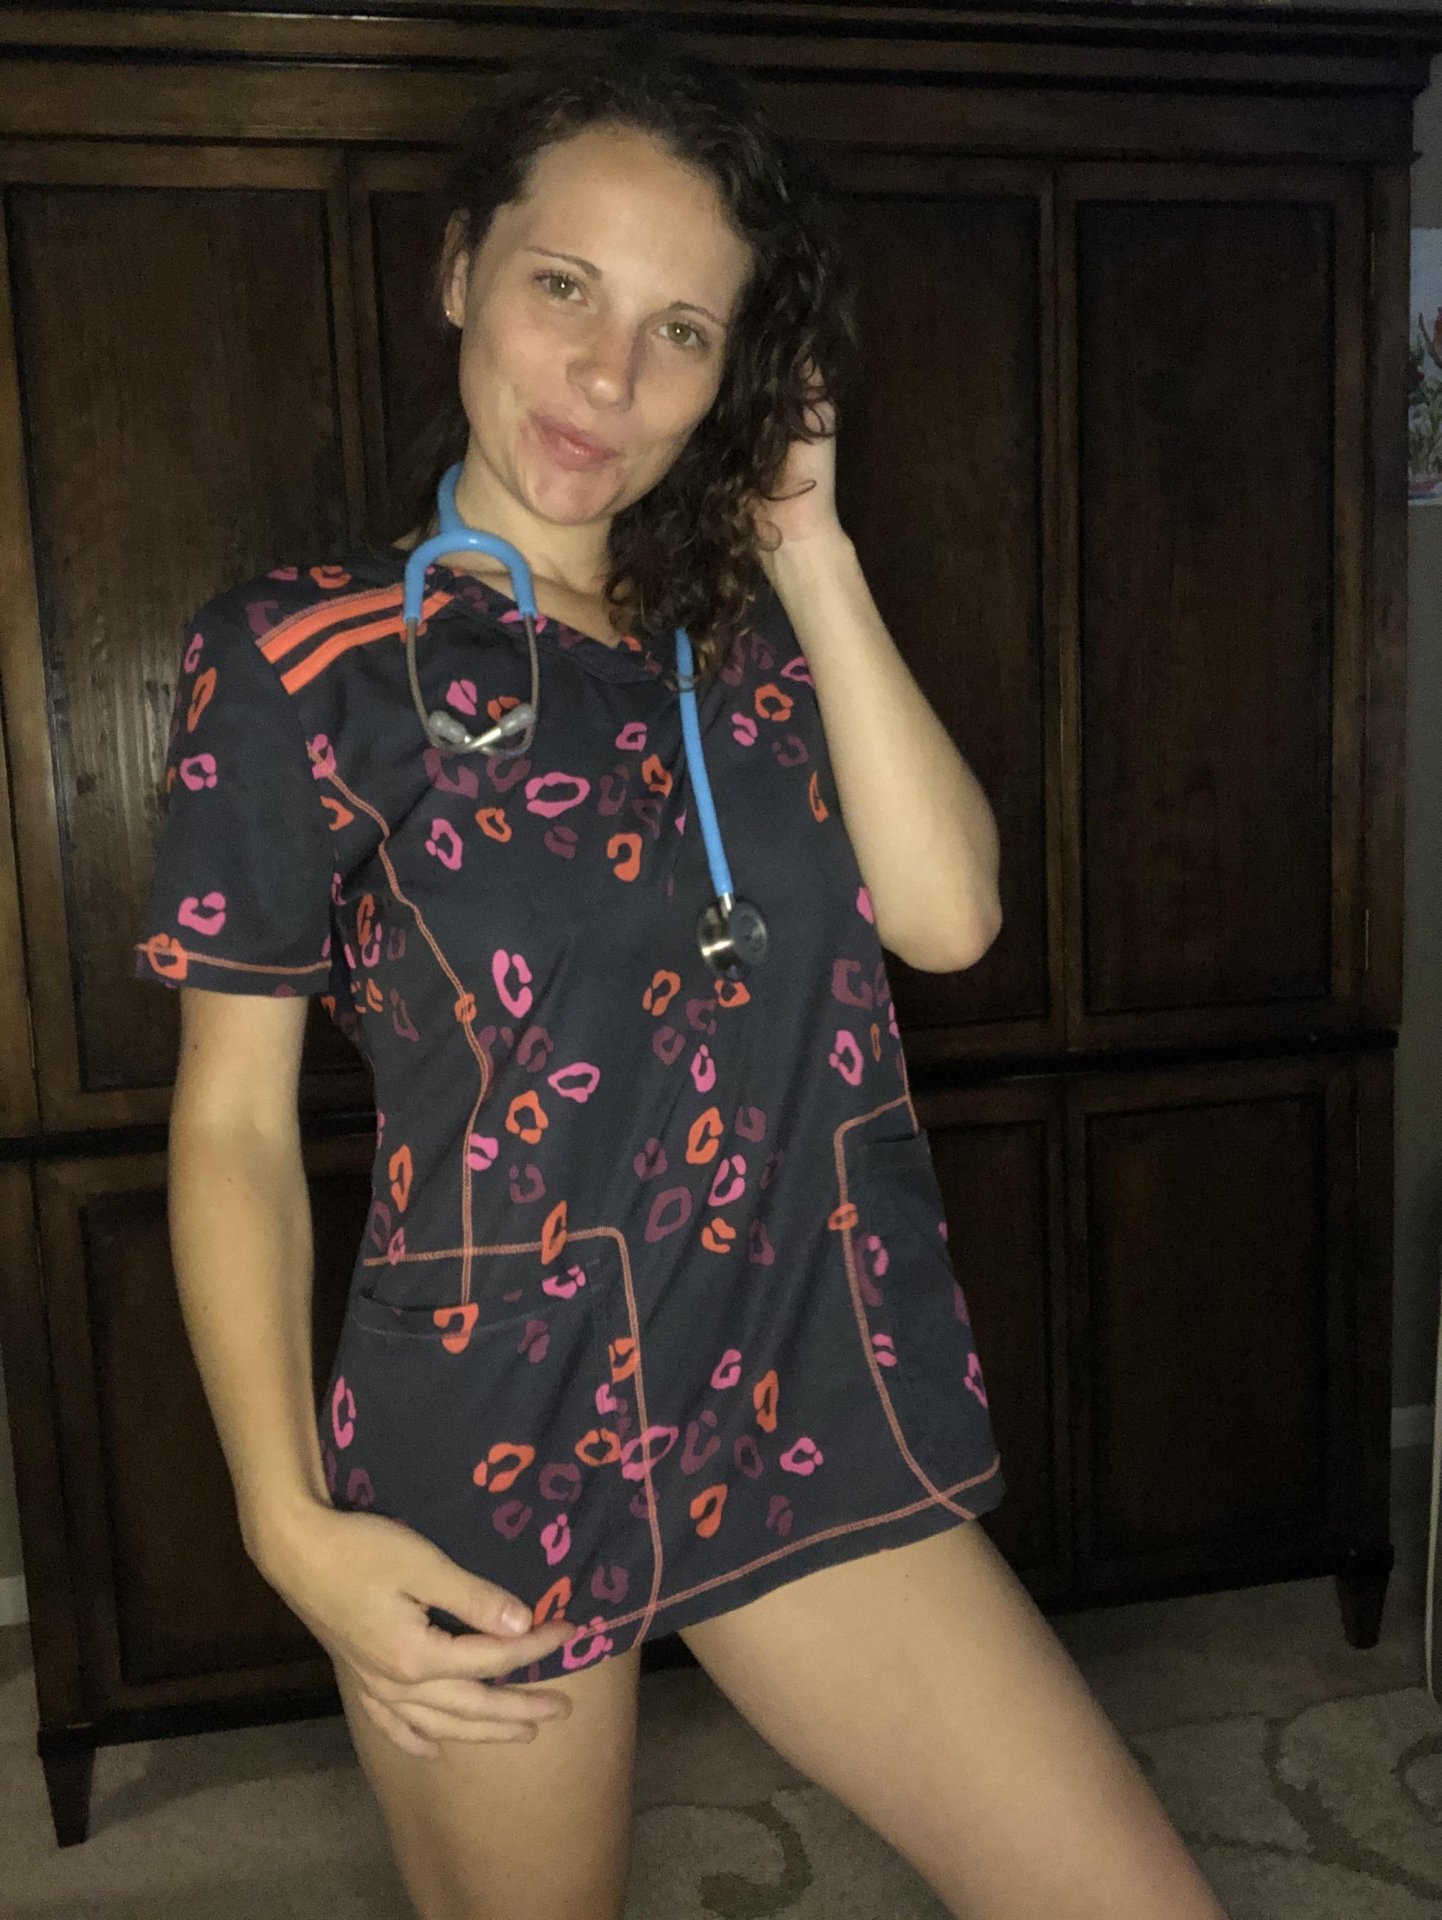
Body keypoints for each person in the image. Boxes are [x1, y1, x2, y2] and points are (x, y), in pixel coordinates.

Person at [132, 28, 1230, 1920]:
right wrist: (283, 1521)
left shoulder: (749, 639)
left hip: (799, 1380)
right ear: (460, 267)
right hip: (492, 1426)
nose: (607, 377)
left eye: (684, 331)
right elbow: (228, 1126)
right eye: (563, 285)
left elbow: (948, 918)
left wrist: (809, 547)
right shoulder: (304, 661)